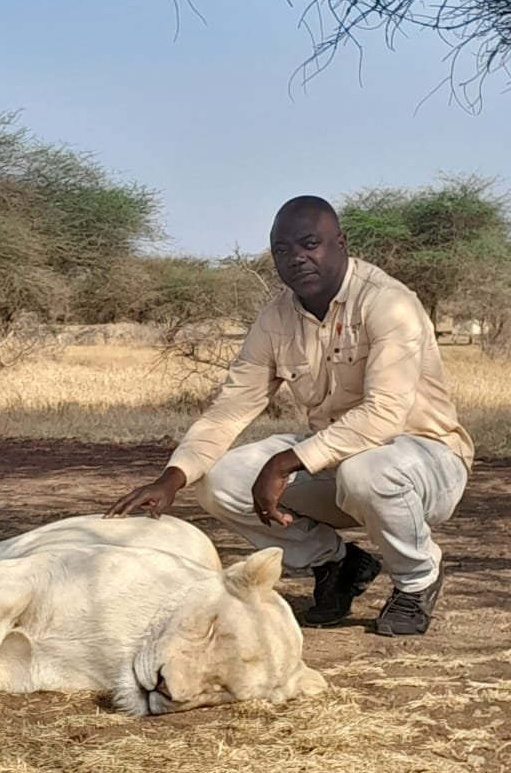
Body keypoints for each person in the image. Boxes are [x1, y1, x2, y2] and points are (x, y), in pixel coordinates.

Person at [105, 195, 473, 635]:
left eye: (310, 243)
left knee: (365, 471)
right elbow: (229, 409)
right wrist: (172, 478)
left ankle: (417, 580)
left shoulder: (388, 303)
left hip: (425, 460)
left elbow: (385, 415)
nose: (296, 258)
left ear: (341, 243)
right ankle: (338, 564)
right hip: (338, 457)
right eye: (282, 250)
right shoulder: (275, 319)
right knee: (221, 482)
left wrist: (286, 462)